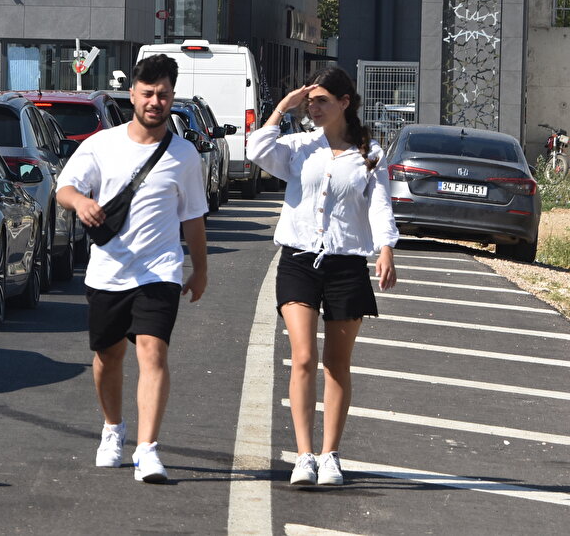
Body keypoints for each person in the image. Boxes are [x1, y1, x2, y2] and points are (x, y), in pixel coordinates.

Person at [56, 54, 209, 484]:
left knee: (153, 352)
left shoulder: (184, 154)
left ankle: (147, 449)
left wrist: (200, 268)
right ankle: (112, 429)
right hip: (108, 271)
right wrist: (81, 202)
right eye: (148, 93)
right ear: (132, 95)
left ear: (172, 97)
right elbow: (63, 187)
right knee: (107, 357)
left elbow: (193, 216)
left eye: (163, 94)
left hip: (159, 271)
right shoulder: (102, 144)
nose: (155, 102)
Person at [247, 66, 398, 487]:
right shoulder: (298, 146)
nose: (313, 109)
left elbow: (380, 206)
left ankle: (330, 454)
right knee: (303, 357)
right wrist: (282, 107)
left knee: (336, 365)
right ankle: (303, 455)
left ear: (344, 103)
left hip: (346, 264)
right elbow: (256, 150)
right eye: (309, 102)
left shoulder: (369, 154)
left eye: (321, 102)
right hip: (298, 260)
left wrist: (386, 248)